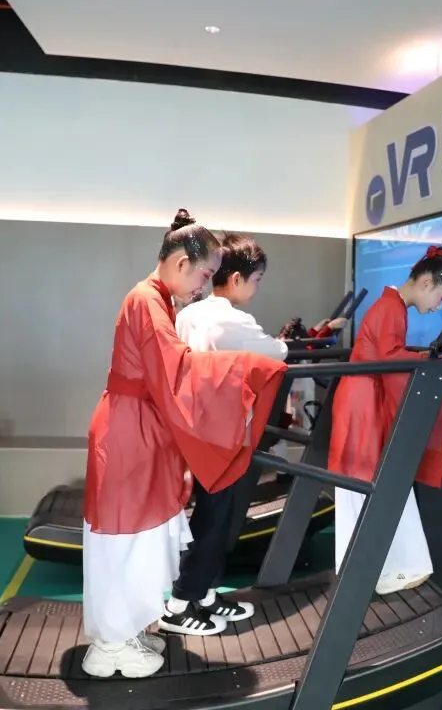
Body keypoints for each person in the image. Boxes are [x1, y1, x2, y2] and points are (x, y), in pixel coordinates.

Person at [82, 212, 287, 678]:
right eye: (203, 275)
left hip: (139, 428)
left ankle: (127, 630)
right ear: (180, 263)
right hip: (129, 431)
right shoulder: (146, 300)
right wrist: (247, 368)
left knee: (139, 537)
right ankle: (111, 645)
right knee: (124, 539)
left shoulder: (155, 300)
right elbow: (176, 369)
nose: (203, 286)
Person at [162, 231, 290, 637]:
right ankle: (179, 603)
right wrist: (283, 343)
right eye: (257, 279)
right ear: (235, 279)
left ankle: (204, 594)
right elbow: (277, 352)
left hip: (194, 429)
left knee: (212, 514)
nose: (257, 287)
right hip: (223, 436)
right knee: (217, 518)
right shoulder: (232, 320)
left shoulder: (189, 314)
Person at [328, 245, 442, 595]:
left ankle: (372, 569)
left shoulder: (391, 305)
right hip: (363, 401)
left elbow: (390, 355)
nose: (439, 306)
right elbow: (392, 358)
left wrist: (434, 364)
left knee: (366, 482)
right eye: (441, 297)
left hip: (362, 396)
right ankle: (378, 570)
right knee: (369, 481)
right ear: (425, 283)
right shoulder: (391, 307)